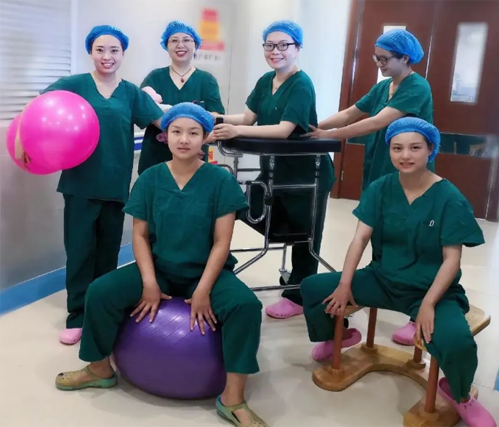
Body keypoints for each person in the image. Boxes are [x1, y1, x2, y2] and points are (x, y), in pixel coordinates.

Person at [54, 103, 269, 427]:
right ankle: (99, 369)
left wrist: (203, 290)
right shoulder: (150, 179)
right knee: (100, 291)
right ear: (164, 136)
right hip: (160, 268)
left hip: (205, 272)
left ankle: (233, 398)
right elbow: (140, 236)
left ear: (205, 138)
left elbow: (222, 242)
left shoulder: (220, 181)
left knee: (246, 306)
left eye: (193, 133)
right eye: (177, 132)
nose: (184, 139)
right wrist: (149, 282)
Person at [300, 118, 497, 427]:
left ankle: (460, 394)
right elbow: (359, 239)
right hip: (382, 279)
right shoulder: (380, 188)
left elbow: (451, 260)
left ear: (431, 149)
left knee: (457, 342)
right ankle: (339, 336)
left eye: (415, 148)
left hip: (430, 290)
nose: (405, 155)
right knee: (312, 287)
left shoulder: (449, 198)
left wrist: (429, 304)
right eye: (397, 148)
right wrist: (345, 284)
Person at [16, 25, 164, 346]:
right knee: (80, 252)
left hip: (115, 185)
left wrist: (189, 130)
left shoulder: (130, 92)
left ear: (123, 54)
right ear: (91, 52)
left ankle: (102, 312)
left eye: (114, 50)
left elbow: (160, 121)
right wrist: (22, 140)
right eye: (100, 50)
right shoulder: (75, 85)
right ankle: (78, 316)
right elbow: (38, 107)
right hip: (80, 185)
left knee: (108, 254)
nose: (107, 56)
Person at [213, 21, 350, 333]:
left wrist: (235, 130)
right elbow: (248, 117)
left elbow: (284, 130)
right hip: (274, 169)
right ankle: (224, 269)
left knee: (305, 236)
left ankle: (299, 295)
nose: (276, 51)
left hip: (307, 171)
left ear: (297, 48)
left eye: (284, 45)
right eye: (270, 45)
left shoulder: (301, 84)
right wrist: (216, 119)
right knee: (243, 210)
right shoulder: (266, 80)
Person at [306, 29, 434, 347]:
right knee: (379, 234)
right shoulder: (382, 87)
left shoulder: (417, 87)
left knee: (412, 241)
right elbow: (352, 113)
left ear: (405, 58)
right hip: (380, 171)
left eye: (385, 59)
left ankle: (417, 313)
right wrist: (315, 127)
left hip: (410, 176)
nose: (379, 64)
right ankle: (382, 285)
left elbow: (377, 122)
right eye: (376, 58)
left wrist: (329, 137)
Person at [137, 20, 225, 174]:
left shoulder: (206, 80)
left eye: (186, 40)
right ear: (166, 45)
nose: (180, 45)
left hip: (193, 157)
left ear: (195, 44)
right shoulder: (155, 78)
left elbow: (215, 115)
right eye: (174, 41)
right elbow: (145, 109)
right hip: (156, 157)